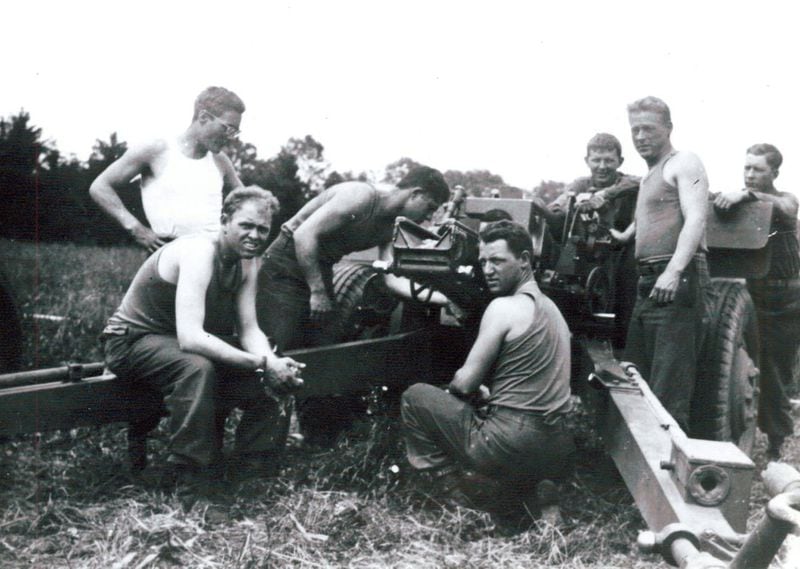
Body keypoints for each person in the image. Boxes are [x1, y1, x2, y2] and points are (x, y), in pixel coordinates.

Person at [101, 186, 303, 493]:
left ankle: (253, 472)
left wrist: (272, 363)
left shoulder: (248, 261)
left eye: (263, 229)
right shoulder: (199, 251)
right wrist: (260, 362)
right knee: (197, 368)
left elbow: (249, 329)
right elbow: (192, 338)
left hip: (172, 341)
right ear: (225, 221)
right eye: (245, 225)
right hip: (131, 339)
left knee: (273, 370)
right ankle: (191, 480)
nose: (255, 235)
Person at [401, 220, 575, 510]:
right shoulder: (553, 309)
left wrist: (466, 390)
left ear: (524, 260)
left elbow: (463, 384)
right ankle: (534, 491)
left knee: (415, 397)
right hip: (558, 445)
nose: (488, 270)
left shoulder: (502, 307)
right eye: (483, 261)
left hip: (512, 441)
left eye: (497, 260)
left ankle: (458, 499)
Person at [256, 166, 451, 352]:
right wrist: (318, 292)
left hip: (319, 268)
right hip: (285, 264)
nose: (429, 217)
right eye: (430, 207)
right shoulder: (360, 197)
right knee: (280, 346)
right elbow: (303, 235)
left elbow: (390, 278)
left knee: (325, 347)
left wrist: (445, 300)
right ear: (415, 194)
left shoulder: (393, 224)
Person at [622, 96, 711, 431]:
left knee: (668, 388)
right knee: (636, 377)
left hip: (675, 279)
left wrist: (674, 271)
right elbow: (647, 221)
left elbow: (697, 218)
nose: (640, 136)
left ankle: (671, 474)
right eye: (635, 130)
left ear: (669, 128)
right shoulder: (648, 176)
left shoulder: (684, 162)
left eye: (648, 128)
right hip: (647, 281)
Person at [713, 144, 800, 459]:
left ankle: (776, 446)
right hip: (752, 295)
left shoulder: (783, 200)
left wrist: (747, 195)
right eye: (747, 168)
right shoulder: (741, 200)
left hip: (785, 299)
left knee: (775, 371)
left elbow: (788, 208)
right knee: (744, 366)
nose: (750, 175)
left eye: (758, 169)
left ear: (774, 173)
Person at [90, 86, 245, 252]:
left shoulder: (220, 160)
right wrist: (137, 229)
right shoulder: (157, 149)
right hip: (169, 256)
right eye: (228, 128)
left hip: (216, 253)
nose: (231, 137)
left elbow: (247, 201)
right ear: (204, 117)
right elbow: (100, 187)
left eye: (235, 131)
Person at [534, 133, 640, 342]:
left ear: (620, 161)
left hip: (620, 253)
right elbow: (561, 205)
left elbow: (639, 182)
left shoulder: (627, 182)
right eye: (596, 160)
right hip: (585, 254)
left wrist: (605, 194)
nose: (602, 166)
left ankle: (623, 341)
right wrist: (546, 210)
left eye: (609, 160)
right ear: (587, 161)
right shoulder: (580, 184)